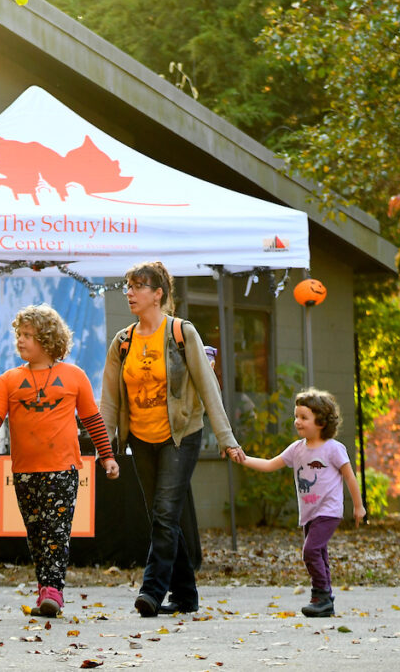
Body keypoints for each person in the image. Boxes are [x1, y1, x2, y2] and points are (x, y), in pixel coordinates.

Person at [100, 261, 244, 618]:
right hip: (142, 439)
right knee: (163, 517)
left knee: (165, 514)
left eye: (138, 286)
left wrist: (227, 438)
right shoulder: (123, 341)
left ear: (158, 294)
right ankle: (186, 595)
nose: (130, 293)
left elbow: (208, 386)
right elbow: (109, 400)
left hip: (181, 436)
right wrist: (106, 448)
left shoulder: (181, 333)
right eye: (128, 286)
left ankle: (151, 590)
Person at [0, 304, 120, 617]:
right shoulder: (9, 379)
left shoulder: (73, 376)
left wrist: (106, 455)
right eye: (19, 334)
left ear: (47, 339)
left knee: (57, 532)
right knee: (35, 534)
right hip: (24, 473)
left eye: (29, 335)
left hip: (64, 470)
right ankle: (45, 586)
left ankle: (54, 590)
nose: (21, 340)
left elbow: (93, 419)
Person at [235, 388, 365, 618]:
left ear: (321, 422)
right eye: (296, 416)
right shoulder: (297, 449)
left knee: (311, 550)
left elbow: (349, 476)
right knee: (319, 553)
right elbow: (269, 464)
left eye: (304, 417)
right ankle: (325, 600)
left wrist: (358, 506)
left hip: (329, 511)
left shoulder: (333, 449)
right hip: (309, 512)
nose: (298, 421)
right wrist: (242, 459)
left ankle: (321, 594)